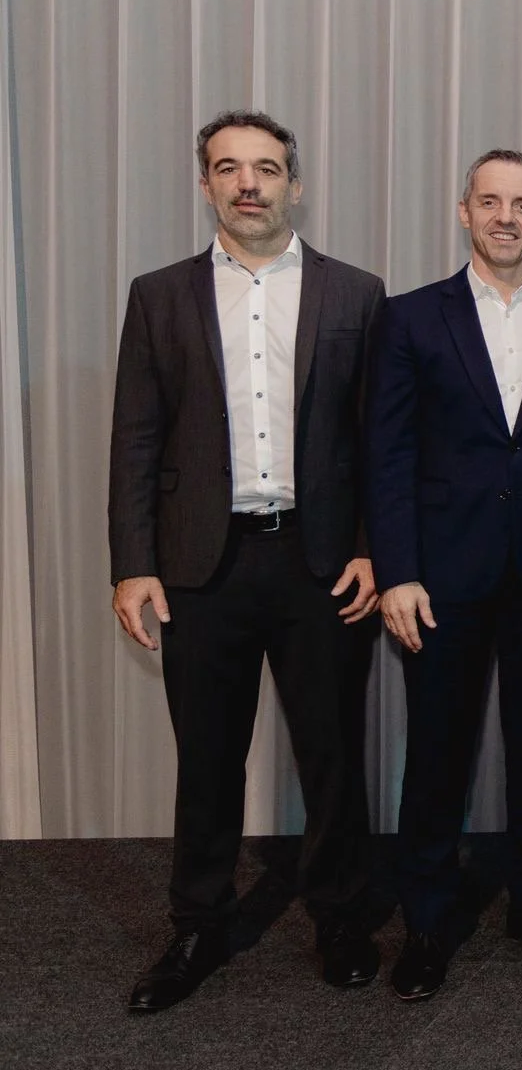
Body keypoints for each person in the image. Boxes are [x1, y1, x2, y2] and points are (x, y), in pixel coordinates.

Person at [109, 111, 385, 1011]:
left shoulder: (355, 294)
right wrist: (133, 562)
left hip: (320, 566)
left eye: (266, 168)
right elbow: (136, 440)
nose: (249, 184)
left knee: (334, 755)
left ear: (294, 183)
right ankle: (197, 927)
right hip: (202, 568)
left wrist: (373, 550)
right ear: (206, 184)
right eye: (229, 168)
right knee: (207, 759)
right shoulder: (160, 295)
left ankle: (342, 919)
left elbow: (378, 442)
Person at [366, 148, 522, 1001]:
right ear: (464, 212)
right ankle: (428, 922)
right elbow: (389, 453)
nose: (507, 216)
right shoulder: (409, 318)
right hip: (441, 578)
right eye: (491, 201)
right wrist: (397, 571)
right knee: (436, 757)